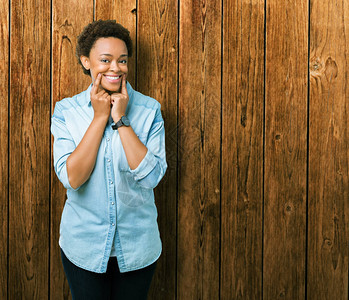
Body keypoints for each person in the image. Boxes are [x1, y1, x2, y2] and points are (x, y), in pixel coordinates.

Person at [51, 19, 167, 300]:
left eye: (122, 60)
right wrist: (100, 116)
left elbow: (152, 178)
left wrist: (120, 119)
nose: (115, 68)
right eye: (105, 60)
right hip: (84, 248)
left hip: (138, 247)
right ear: (86, 61)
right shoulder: (66, 112)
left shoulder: (150, 111)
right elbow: (73, 179)